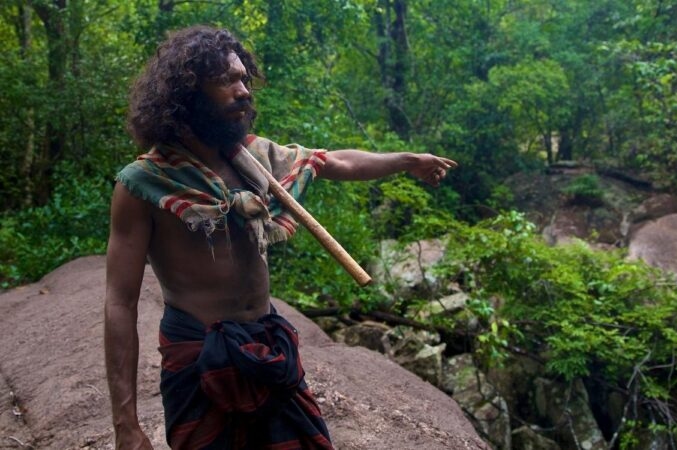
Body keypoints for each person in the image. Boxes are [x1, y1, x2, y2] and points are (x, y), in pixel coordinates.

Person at [104, 25, 456, 450]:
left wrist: (406, 160)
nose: (243, 91)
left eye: (244, 79)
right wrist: (126, 424)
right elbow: (120, 302)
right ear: (187, 94)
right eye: (226, 81)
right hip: (199, 354)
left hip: (267, 344)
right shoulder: (144, 183)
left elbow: (333, 161)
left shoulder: (257, 159)